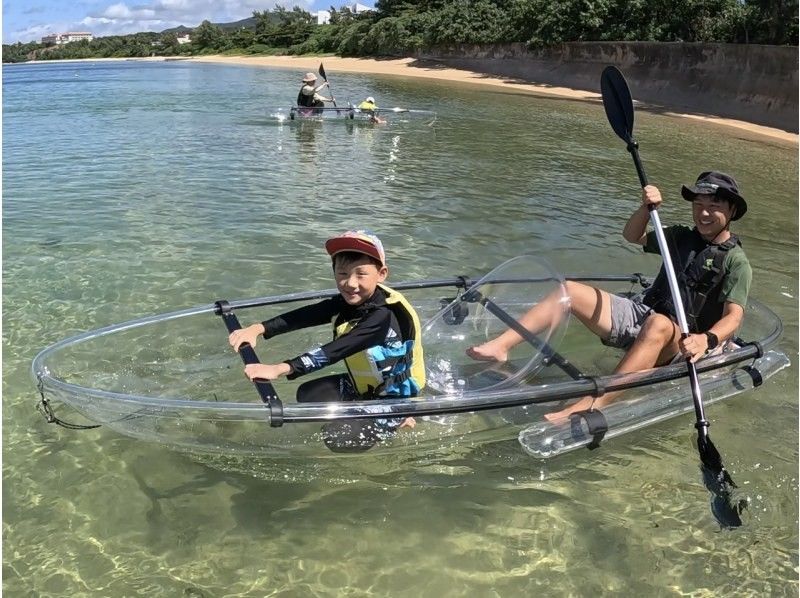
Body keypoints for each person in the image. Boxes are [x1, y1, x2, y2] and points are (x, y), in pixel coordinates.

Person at [467, 171, 751, 422]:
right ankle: (502, 346)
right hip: (646, 316)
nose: (703, 213)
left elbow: (734, 317)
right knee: (569, 290)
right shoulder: (678, 236)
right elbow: (631, 235)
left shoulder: (736, 261)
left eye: (713, 207)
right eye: (698, 205)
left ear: (732, 210)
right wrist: (646, 208)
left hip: (684, 341)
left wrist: (706, 339)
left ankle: (593, 402)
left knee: (659, 325)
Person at [229, 230, 425, 450]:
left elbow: (337, 349)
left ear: (381, 274)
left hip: (395, 396)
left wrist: (279, 368)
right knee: (308, 396)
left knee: (338, 439)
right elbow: (308, 314)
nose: (350, 283)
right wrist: (258, 329)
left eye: (361, 274)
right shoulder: (351, 301)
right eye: (342, 273)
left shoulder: (382, 316)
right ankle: (363, 411)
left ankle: (401, 419)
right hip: (367, 386)